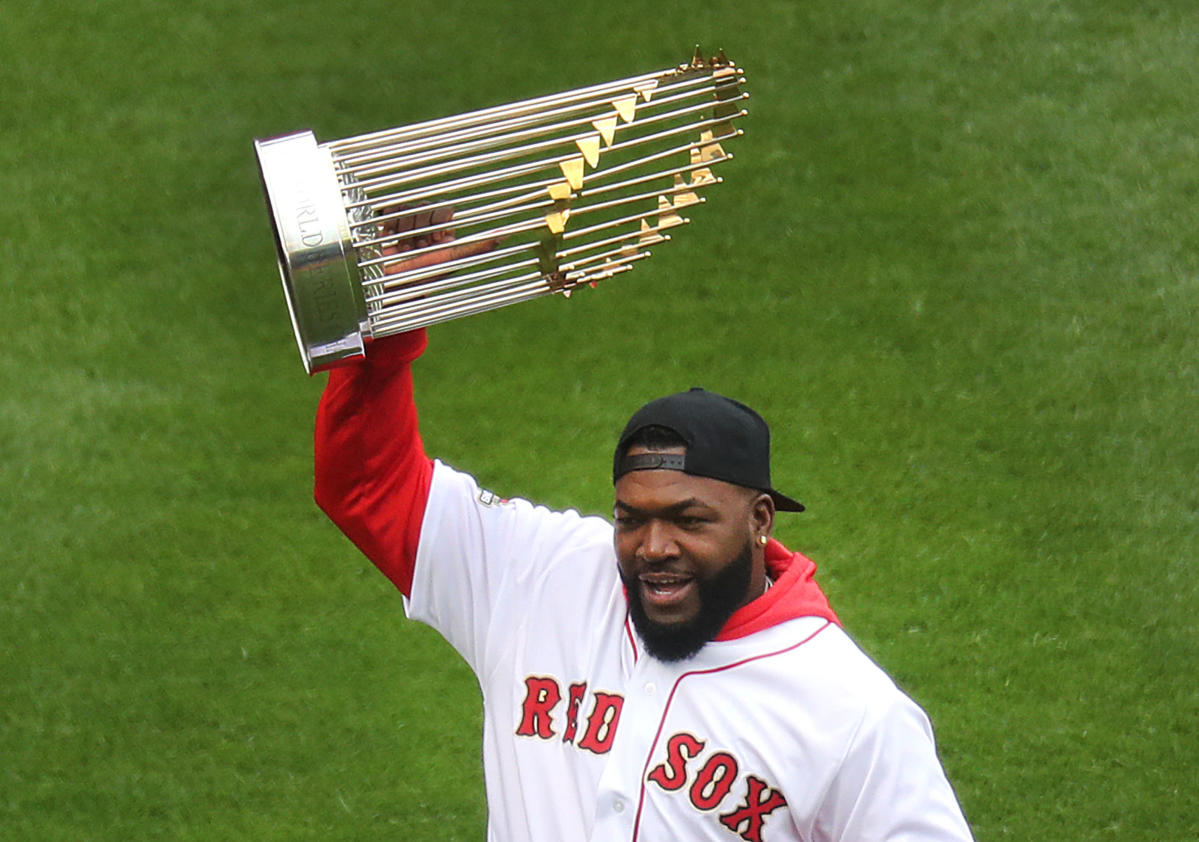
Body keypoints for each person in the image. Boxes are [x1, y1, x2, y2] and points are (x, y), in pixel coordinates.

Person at [312, 332, 975, 841]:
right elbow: (368, 485)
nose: (653, 549)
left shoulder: (849, 712)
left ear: (758, 520)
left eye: (688, 520)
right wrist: (384, 335)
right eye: (631, 519)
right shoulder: (541, 577)